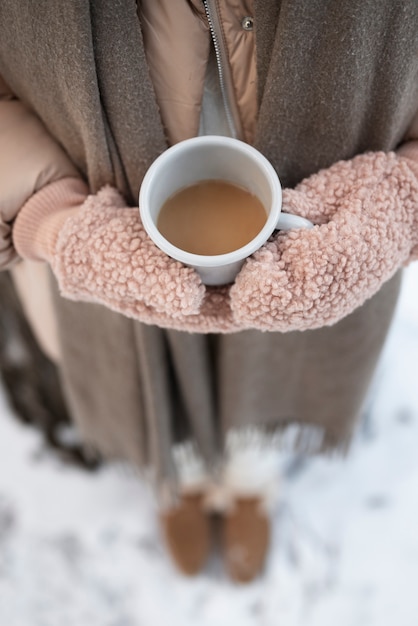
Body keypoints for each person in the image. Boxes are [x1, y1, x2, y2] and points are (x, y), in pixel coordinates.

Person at [1, 0, 418, 583]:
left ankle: (251, 482)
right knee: (153, 372)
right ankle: (183, 482)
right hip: (102, 204)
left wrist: (398, 206)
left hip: (311, 223)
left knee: (277, 356)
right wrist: (51, 218)